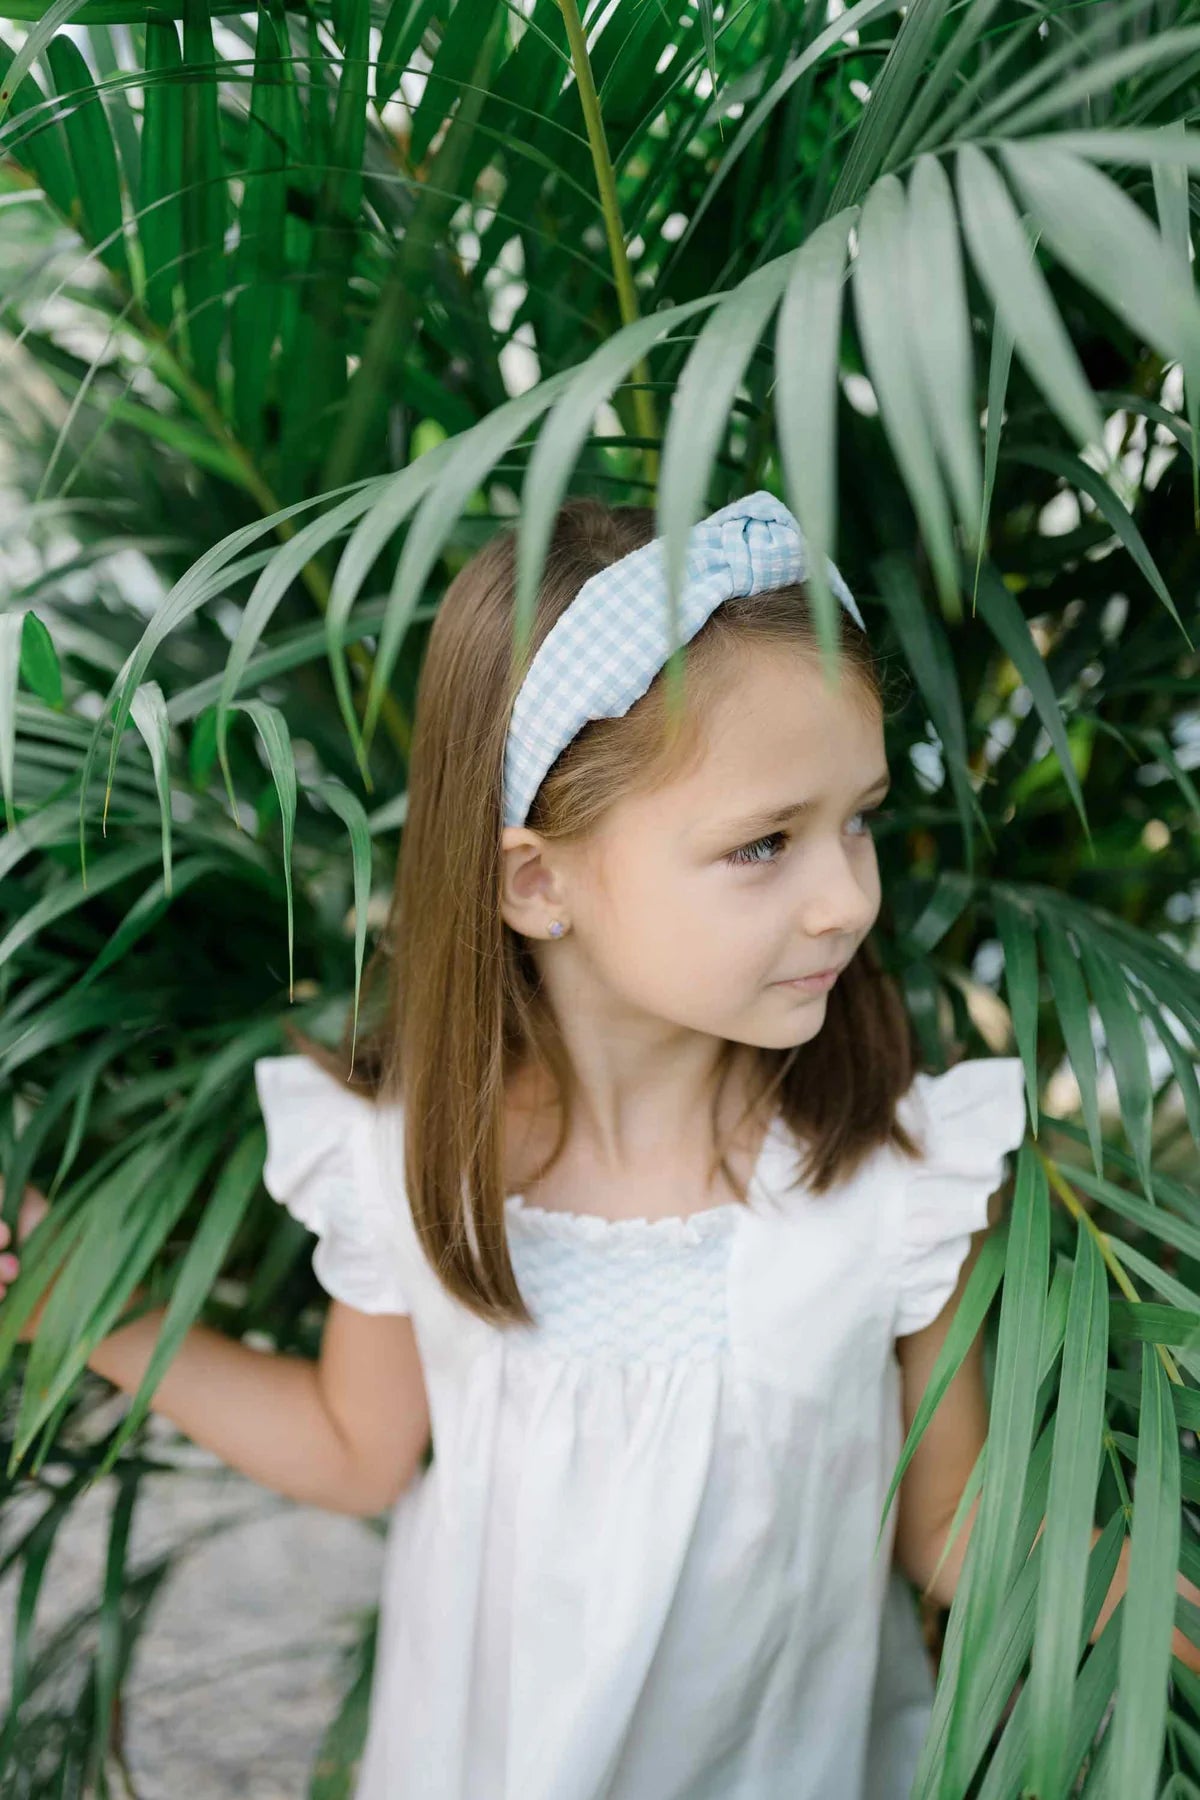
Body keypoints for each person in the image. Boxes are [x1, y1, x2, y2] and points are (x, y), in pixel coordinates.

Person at [3, 489, 1183, 1798]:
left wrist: (1163, 1613)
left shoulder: (889, 1183)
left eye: (858, 818)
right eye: (764, 844)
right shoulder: (416, 1164)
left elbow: (953, 1528)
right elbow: (353, 1446)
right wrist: (72, 1307)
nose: (847, 897)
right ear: (538, 882)